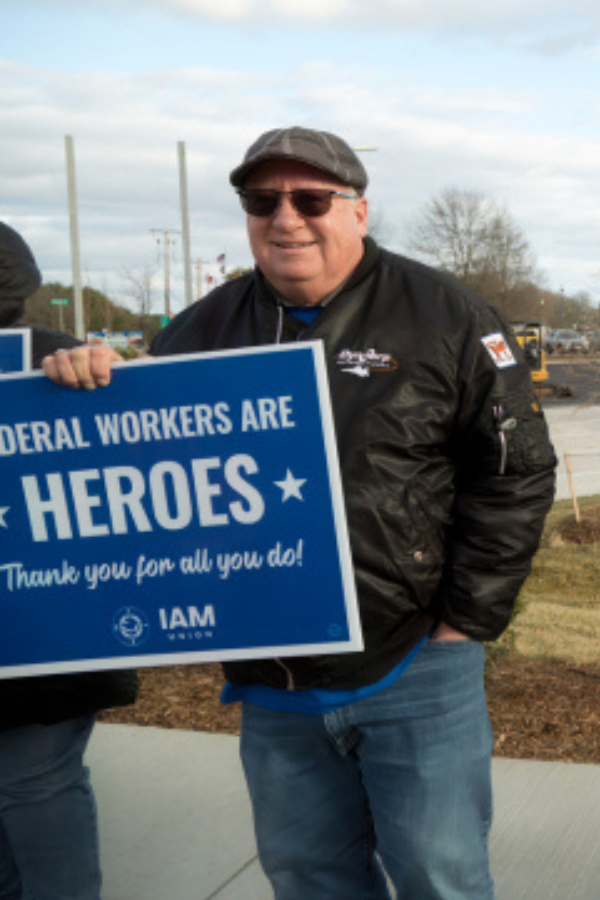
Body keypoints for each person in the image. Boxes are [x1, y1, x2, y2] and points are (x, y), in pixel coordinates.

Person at [42, 127, 557, 900]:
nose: (286, 218)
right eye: (262, 200)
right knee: (310, 880)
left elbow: (516, 472)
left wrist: (463, 623)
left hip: (415, 662)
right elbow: (139, 472)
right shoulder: (199, 333)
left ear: (358, 210)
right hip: (274, 684)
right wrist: (89, 380)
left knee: (439, 877)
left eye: (311, 198)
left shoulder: (449, 316)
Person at [0, 221, 138, 900]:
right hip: (47, 643)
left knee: (33, 785)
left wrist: (99, 377)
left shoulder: (55, 363)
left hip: (41, 651)